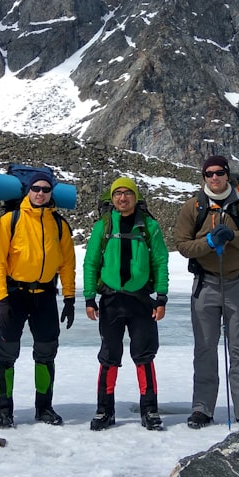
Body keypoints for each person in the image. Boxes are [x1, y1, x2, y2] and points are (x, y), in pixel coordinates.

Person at [173, 155, 239, 429]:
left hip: (238, 284)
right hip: (206, 285)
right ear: (203, 177)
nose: (214, 178)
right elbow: (183, 245)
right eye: (209, 174)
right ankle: (202, 409)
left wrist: (233, 236)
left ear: (227, 175)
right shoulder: (194, 207)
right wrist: (210, 241)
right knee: (204, 349)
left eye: (219, 173)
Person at [0, 170, 76, 427]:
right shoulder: (10, 220)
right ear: (28, 190)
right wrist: (2, 299)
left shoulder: (59, 225)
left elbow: (67, 264)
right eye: (36, 188)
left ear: (51, 193)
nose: (40, 193)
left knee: (46, 352)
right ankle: (4, 410)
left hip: (46, 296)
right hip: (15, 294)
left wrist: (69, 298)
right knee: (5, 354)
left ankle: (44, 408)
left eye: (45, 189)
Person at [83, 176, 169, 431]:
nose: (122, 198)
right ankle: (104, 410)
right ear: (112, 198)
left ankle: (150, 410)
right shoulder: (105, 225)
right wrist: (89, 297)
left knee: (144, 355)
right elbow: (91, 262)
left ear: (135, 197)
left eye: (127, 193)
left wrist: (161, 297)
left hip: (142, 301)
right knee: (109, 356)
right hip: (111, 300)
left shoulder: (149, 226)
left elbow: (160, 261)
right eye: (117, 194)